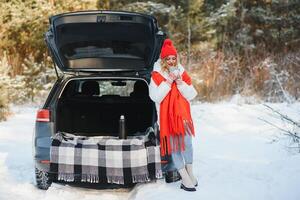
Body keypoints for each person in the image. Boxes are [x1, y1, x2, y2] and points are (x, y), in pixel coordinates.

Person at [149, 39, 198, 192]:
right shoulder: (156, 76)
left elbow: (192, 94)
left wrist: (181, 83)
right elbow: (156, 97)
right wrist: (168, 82)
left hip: (182, 117)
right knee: (175, 148)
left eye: (173, 58)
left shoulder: (182, 72)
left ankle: (190, 172)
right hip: (167, 119)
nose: (171, 61)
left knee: (187, 144)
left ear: (176, 59)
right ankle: (184, 177)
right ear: (163, 60)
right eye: (168, 59)